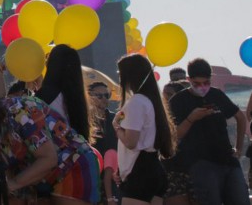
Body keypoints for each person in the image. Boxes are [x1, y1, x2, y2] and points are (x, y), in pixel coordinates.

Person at [0, 92, 100, 204]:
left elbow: (48, 159)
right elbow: (10, 171)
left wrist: (13, 185)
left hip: (71, 164)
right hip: (41, 180)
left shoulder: (20, 111)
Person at [168, 58, 249, 205]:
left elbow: (240, 117)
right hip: (201, 163)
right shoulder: (178, 100)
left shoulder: (216, 94)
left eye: (206, 83)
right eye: (197, 84)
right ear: (189, 80)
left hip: (228, 159)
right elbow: (174, 135)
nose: (202, 87)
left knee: (241, 199)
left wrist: (238, 148)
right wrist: (191, 119)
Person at [114, 55, 175, 204]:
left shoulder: (136, 102)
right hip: (153, 167)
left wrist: (117, 128)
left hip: (140, 170)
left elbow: (130, 142)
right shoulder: (151, 101)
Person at [87, 82, 118, 205]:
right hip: (92, 173)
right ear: (89, 97)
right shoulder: (85, 119)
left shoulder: (116, 118)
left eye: (107, 95)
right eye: (99, 96)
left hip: (113, 174)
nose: (104, 99)